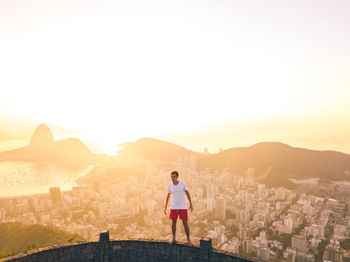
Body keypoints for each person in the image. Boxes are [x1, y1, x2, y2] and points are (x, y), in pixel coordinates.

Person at [164, 170, 193, 245]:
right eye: (171, 177)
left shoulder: (182, 184)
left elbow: (187, 194)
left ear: (177, 177)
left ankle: (188, 240)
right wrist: (165, 207)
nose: (172, 178)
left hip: (182, 207)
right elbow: (168, 196)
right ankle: (173, 238)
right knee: (173, 223)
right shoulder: (170, 185)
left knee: (185, 223)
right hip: (173, 207)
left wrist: (191, 204)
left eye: (174, 177)